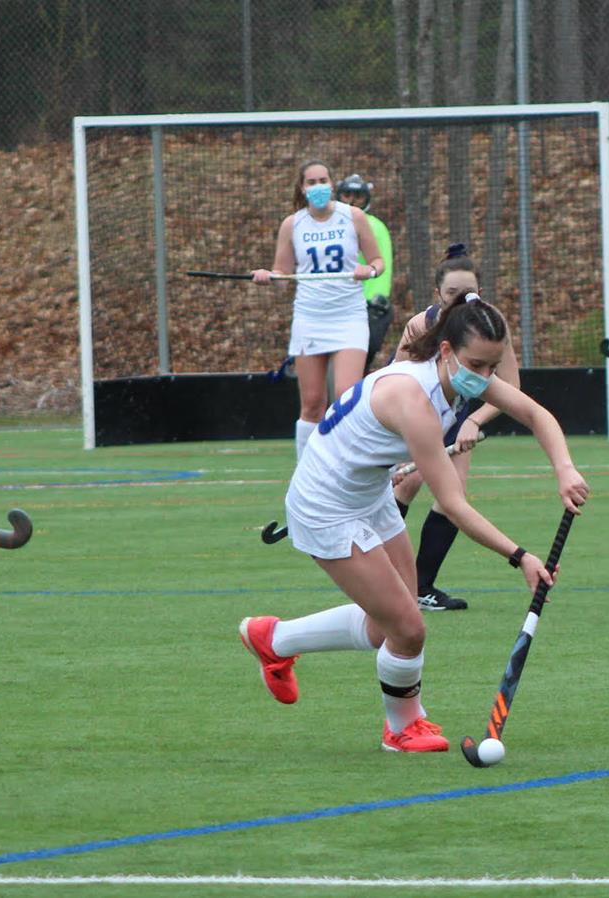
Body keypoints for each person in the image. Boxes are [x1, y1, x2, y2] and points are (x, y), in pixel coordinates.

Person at [237, 296, 587, 752]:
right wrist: (520, 556)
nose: (483, 378)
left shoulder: (460, 377)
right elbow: (453, 504)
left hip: (367, 492)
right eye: (475, 364)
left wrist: (565, 469)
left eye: (492, 366)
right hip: (325, 505)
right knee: (409, 629)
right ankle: (402, 727)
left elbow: (536, 414)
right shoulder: (412, 399)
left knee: (389, 626)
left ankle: (274, 639)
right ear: (445, 351)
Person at [388, 244, 521, 612]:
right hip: (417, 418)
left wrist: (474, 421)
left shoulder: (493, 326)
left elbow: (511, 390)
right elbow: (391, 382)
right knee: (408, 483)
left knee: (453, 499)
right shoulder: (419, 325)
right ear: (438, 295)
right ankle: (387, 584)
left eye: (470, 294)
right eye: (453, 294)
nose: (462, 301)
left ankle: (421, 586)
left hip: (459, 417)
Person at [252, 159, 385, 459]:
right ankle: (307, 472)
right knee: (312, 402)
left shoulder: (352, 217)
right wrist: (268, 278)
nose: (318, 187)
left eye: (323, 180)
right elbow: (283, 276)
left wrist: (370, 271)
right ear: (302, 188)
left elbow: (378, 262)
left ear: (332, 183)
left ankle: (347, 462)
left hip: (349, 316)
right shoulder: (292, 224)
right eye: (311, 182)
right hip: (310, 318)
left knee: (346, 396)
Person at [332, 173, 397, 372]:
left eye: (358, 196)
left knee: (355, 367)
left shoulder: (375, 226)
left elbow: (381, 270)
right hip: (332, 307)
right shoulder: (328, 225)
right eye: (347, 195)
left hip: (365, 308)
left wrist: (374, 302)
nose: (352, 201)